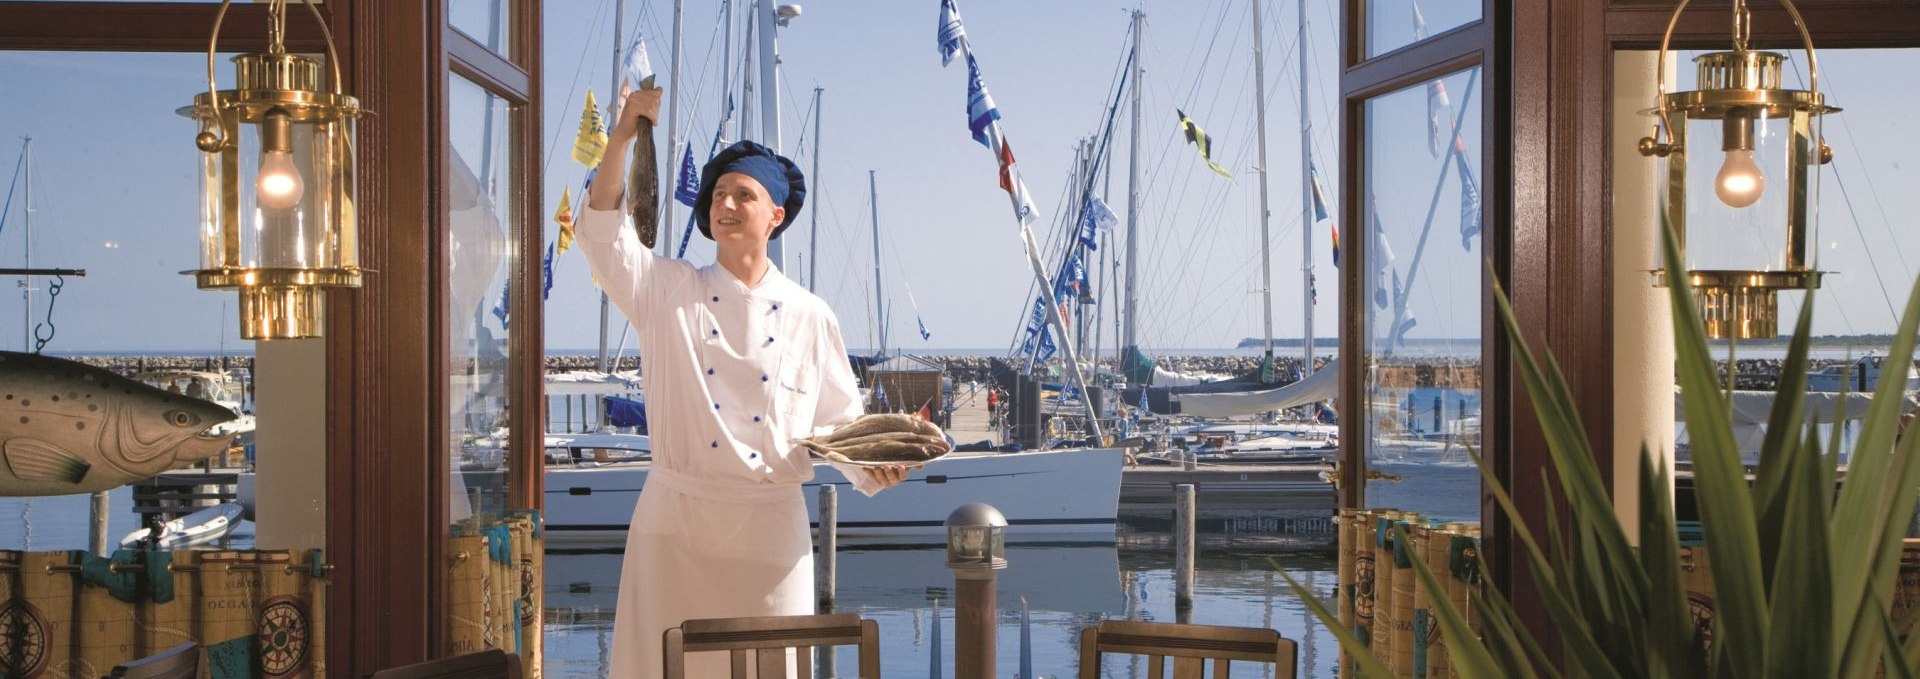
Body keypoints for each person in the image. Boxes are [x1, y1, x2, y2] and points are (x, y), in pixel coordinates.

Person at [581, 87, 914, 679]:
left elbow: (838, 428)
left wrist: (883, 461)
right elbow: (603, 231)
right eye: (718, 195)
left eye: (743, 194)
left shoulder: (811, 315)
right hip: (674, 529)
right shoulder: (665, 289)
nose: (725, 204)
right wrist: (625, 135)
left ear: (776, 216)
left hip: (770, 540)